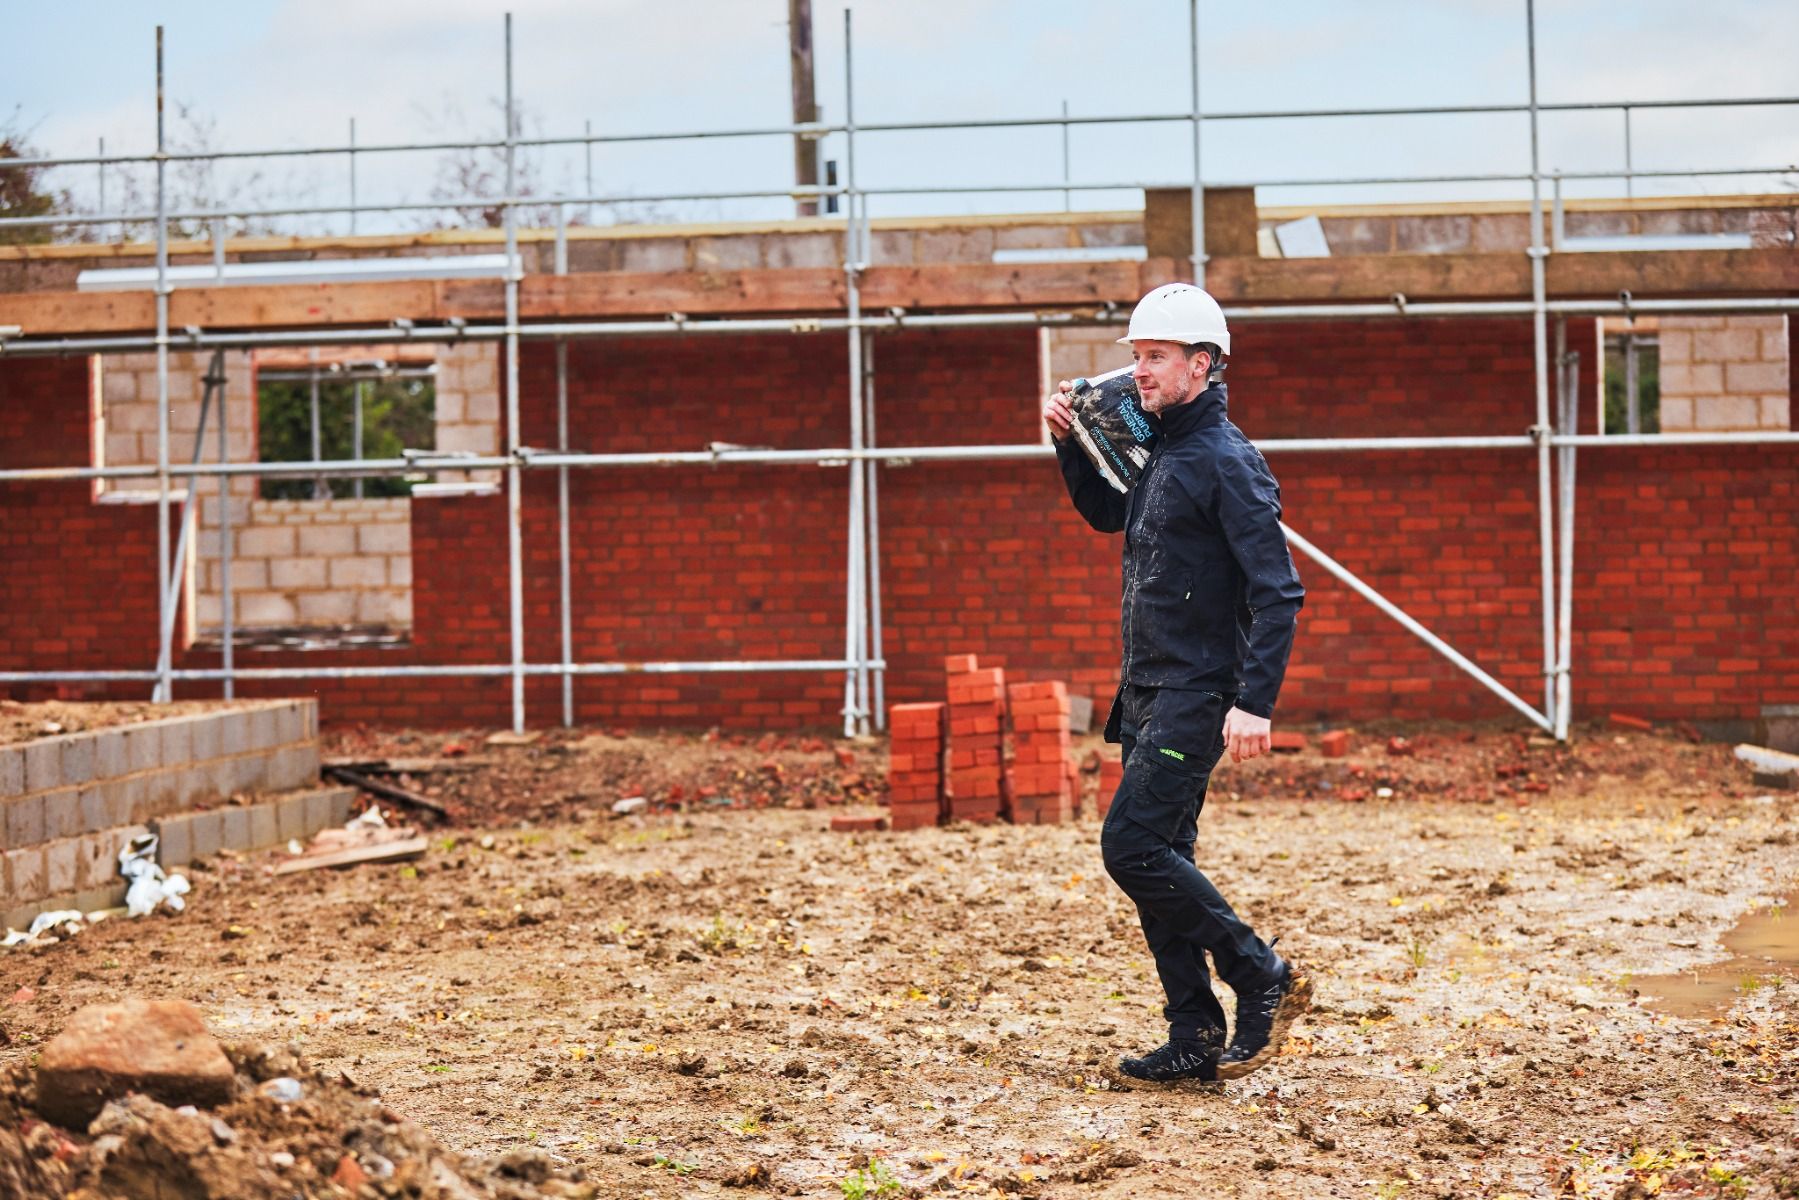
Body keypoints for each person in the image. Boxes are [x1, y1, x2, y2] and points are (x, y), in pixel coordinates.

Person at [1043, 282, 1311, 1084]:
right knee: (1163, 852)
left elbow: (1279, 591)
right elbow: (1104, 514)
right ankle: (1193, 1033)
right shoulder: (1160, 450)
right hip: (1151, 689)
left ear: (1201, 364)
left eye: (1155, 357)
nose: (1140, 372)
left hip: (1197, 693)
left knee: (1130, 846)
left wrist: (1253, 703)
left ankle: (1260, 971)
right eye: (1136, 357)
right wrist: (1064, 443)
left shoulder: (1227, 461)